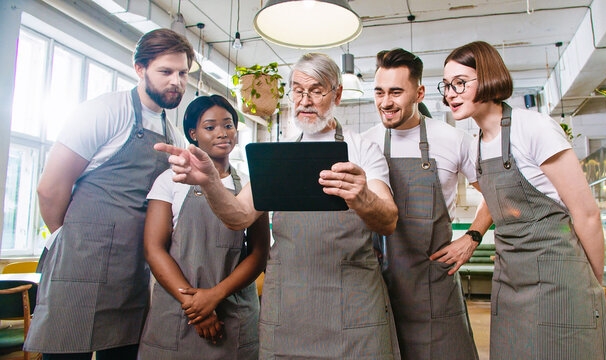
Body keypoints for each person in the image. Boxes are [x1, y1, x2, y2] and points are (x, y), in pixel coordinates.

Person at [155, 53, 402, 359]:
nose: (305, 100)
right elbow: (238, 216)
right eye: (297, 90)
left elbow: (388, 221)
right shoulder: (278, 154)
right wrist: (209, 182)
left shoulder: (362, 148)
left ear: (337, 94)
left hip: (353, 304)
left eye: (317, 90)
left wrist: (362, 196)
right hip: (288, 307)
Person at [436, 41, 606, 359]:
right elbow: (495, 198)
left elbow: (586, 214)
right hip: (511, 284)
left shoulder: (534, 128)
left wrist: (594, 288)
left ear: (488, 77)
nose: (450, 93)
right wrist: (473, 236)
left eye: (460, 82)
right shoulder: (475, 143)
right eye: (446, 85)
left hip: (559, 283)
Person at [25, 29, 193, 360]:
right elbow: (50, 187)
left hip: (131, 269)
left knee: (123, 352)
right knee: (66, 352)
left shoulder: (170, 131)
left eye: (183, 73)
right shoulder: (104, 111)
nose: (177, 81)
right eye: (166, 72)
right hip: (81, 262)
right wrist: (72, 237)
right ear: (139, 69)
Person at [362, 48, 479, 359]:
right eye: (379, 92)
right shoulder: (364, 143)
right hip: (378, 287)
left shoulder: (453, 140)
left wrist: (472, 238)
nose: (385, 102)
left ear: (419, 92)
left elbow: (498, 193)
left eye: (396, 92)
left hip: (434, 287)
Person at [138, 95, 269, 359]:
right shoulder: (170, 180)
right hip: (179, 314)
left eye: (228, 125)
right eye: (210, 127)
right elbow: (154, 249)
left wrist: (214, 296)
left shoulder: (250, 184)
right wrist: (193, 305)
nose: (222, 133)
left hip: (233, 315)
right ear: (193, 133)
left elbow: (259, 254)